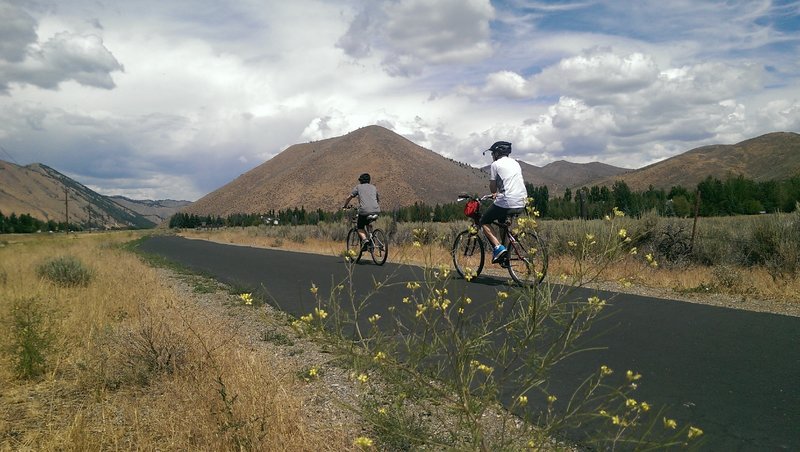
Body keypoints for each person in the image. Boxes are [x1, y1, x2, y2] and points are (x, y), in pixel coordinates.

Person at [480, 141, 528, 263]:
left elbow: (493, 186)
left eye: (493, 153)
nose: (492, 156)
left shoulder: (495, 165)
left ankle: (498, 247)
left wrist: (494, 193)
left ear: (497, 153)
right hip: (522, 201)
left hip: (507, 200)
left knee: (484, 221)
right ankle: (506, 254)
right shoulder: (516, 163)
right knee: (503, 223)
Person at [342, 173, 381, 250]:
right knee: (368, 222)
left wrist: (345, 205)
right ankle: (372, 239)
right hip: (376, 210)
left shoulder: (358, 187)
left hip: (364, 210)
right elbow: (377, 199)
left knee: (360, 227)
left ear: (360, 181)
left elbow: (349, 197)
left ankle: (365, 241)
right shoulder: (374, 187)